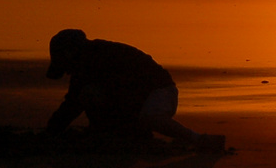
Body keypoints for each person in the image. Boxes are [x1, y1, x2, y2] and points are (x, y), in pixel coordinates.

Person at [44, 28, 226, 152]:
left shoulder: (101, 58)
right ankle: (115, 130)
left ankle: (197, 139)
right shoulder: (86, 63)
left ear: (70, 54)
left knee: (150, 117)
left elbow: (77, 102)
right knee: (90, 94)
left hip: (161, 91)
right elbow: (73, 103)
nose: (67, 71)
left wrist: (50, 134)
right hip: (133, 97)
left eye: (64, 64)